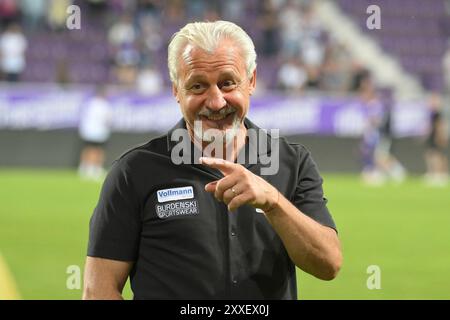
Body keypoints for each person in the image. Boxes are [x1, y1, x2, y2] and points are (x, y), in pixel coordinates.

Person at [83, 21, 342, 300]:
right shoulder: (133, 172)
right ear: (176, 91)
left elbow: (328, 264)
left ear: (251, 81)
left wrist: (274, 203)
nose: (216, 101)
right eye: (197, 86)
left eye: (227, 83)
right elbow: (99, 291)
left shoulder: (292, 162)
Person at [78, 86, 112, 181]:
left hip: (88, 131)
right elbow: (108, 120)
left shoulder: (89, 104)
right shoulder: (105, 105)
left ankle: (84, 167)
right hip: (100, 131)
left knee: (88, 149)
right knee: (98, 150)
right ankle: (96, 168)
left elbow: (83, 117)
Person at [424, 93, 448, 186]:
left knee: (436, 155)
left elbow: (439, 126)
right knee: (431, 155)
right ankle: (434, 173)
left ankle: (440, 173)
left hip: (435, 136)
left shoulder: (437, 113)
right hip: (432, 136)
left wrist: (440, 136)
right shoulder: (432, 113)